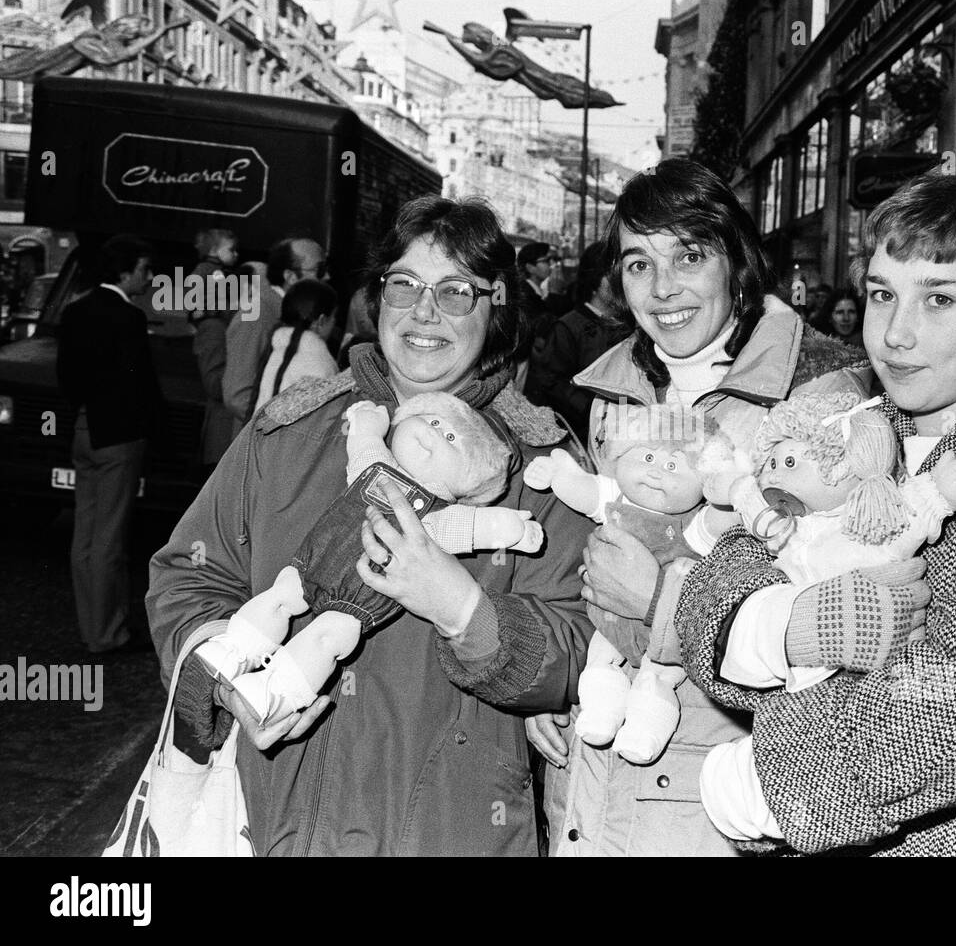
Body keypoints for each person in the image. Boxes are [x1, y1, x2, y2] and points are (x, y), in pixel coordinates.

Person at [662, 169, 956, 856]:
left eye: (939, 298)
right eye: (883, 294)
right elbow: (717, 583)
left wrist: (758, 781)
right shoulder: (836, 416)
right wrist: (786, 629)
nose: (895, 334)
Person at [146, 197, 595, 856]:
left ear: (496, 309)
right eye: (405, 285)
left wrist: (464, 609)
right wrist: (223, 674)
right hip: (273, 825)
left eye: (456, 291)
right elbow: (190, 570)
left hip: (449, 834)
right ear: (377, 296)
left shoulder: (542, 465)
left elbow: (575, 646)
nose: (424, 311)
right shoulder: (288, 432)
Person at [527, 157, 871, 856]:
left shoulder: (822, 396)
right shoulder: (614, 389)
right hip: (590, 774)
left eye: (689, 255)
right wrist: (556, 686)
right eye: (637, 264)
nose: (663, 288)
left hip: (713, 798)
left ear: (738, 261)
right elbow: (596, 545)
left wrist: (663, 604)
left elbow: (830, 623)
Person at [57, 235, 164, 654]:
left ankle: (92, 627)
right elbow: (143, 385)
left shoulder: (75, 310)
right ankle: (108, 634)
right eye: (144, 268)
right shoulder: (128, 317)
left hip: (84, 428)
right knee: (109, 540)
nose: (149, 276)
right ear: (125, 272)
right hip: (119, 435)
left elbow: (67, 378)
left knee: (85, 536)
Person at [524, 242, 631, 441]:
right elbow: (552, 381)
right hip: (582, 433)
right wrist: (591, 409)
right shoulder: (568, 327)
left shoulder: (627, 325)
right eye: (613, 277)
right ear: (595, 281)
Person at [223, 237, 326, 436]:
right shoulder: (258, 316)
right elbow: (238, 395)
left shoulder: (280, 313)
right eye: (319, 270)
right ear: (290, 276)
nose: (327, 276)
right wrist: (284, 435)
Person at [190, 229, 241, 471]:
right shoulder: (216, 273)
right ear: (213, 251)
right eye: (230, 249)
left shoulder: (205, 271)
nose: (236, 254)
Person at [251, 279, 339, 414]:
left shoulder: (275, 347)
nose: (334, 323)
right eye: (333, 317)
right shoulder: (317, 362)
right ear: (321, 321)